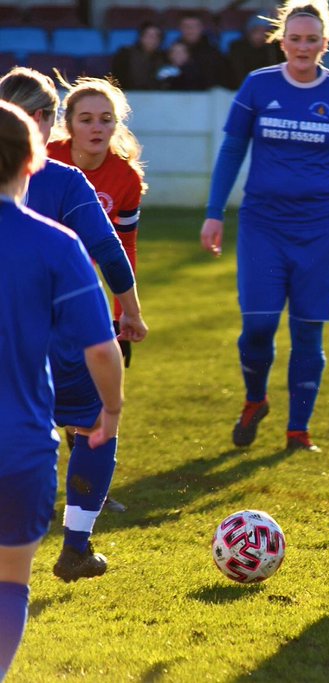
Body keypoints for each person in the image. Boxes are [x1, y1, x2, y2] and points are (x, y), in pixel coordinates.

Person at [200, 0, 329, 453]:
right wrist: (214, 212)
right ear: (281, 42)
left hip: (320, 226)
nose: (303, 47)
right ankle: (255, 399)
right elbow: (232, 150)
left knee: (307, 331)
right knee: (258, 327)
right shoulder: (258, 85)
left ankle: (298, 431)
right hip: (262, 223)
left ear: (325, 43)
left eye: (312, 39)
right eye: (295, 39)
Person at [0, 67, 147, 582]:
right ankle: (76, 547)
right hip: (63, 337)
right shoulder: (64, 180)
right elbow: (108, 249)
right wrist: (130, 311)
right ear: (44, 120)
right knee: (94, 426)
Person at [0, 99, 123, 679]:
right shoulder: (56, 244)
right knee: (9, 582)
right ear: (34, 161)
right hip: (20, 448)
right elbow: (101, 348)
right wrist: (112, 409)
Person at [47, 76, 147, 366]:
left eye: (105, 119)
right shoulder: (43, 159)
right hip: (31, 277)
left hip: (79, 281)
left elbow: (124, 247)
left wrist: (121, 315)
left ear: (116, 125)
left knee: (90, 371)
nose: (97, 128)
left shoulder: (126, 178)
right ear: (69, 125)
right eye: (86, 119)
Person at [173, 10, 226, 90]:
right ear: (180, 28)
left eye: (194, 26)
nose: (190, 29)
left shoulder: (213, 53)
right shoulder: (172, 51)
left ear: (201, 28)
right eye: (186, 26)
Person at [226, 15, 284, 88]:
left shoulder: (270, 49)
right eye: (257, 31)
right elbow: (238, 71)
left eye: (264, 32)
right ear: (250, 31)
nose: (260, 36)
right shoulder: (237, 47)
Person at [110, 20, 167, 91]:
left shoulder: (164, 58)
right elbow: (115, 78)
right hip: (128, 93)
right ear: (141, 37)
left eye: (156, 36)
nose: (152, 39)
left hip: (156, 95)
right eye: (149, 35)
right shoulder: (125, 54)